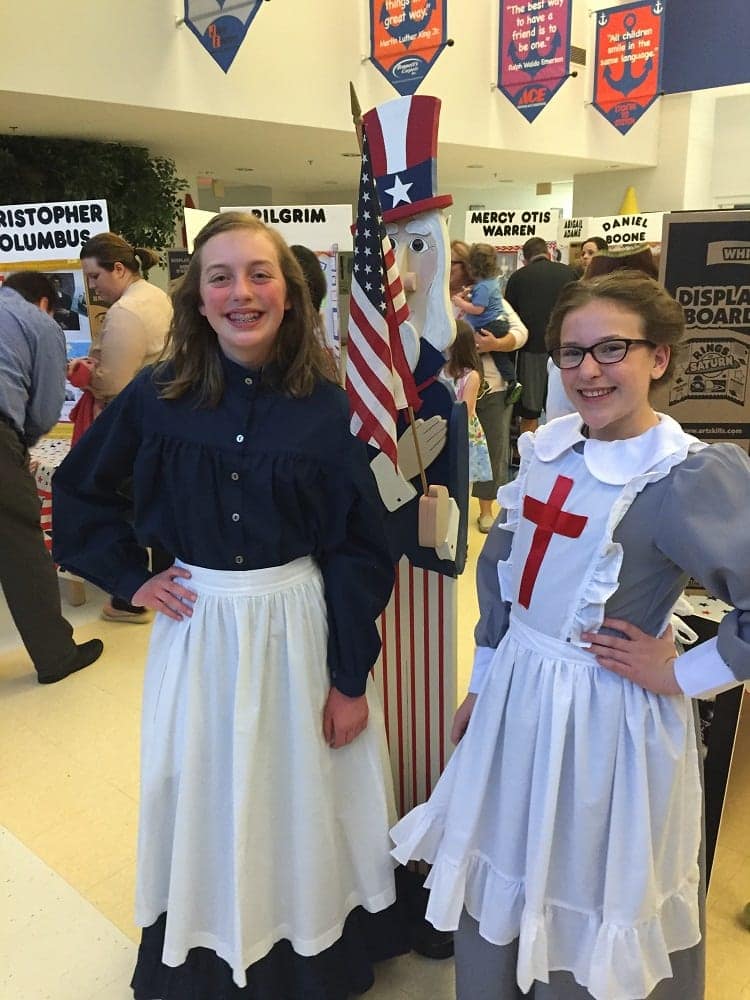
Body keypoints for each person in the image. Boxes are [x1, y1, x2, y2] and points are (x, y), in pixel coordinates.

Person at [52, 211, 405, 1000]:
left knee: (304, 790)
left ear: (290, 295)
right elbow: (82, 490)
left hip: (298, 626)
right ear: (198, 299)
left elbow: (359, 548)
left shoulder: (328, 406)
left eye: (259, 274)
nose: (241, 292)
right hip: (200, 626)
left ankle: (309, 942)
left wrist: (351, 678)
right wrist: (132, 578)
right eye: (221, 277)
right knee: (204, 782)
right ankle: (213, 936)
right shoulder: (157, 395)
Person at [391, 272, 750, 1000]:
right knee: (507, 860)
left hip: (604, 722)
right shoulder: (550, 450)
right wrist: (482, 687)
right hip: (518, 698)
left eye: (611, 348)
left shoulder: (684, 477)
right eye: (570, 353)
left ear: (659, 358)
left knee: (585, 878)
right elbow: (501, 579)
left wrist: (680, 674)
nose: (588, 370)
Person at [0, 271, 103, 684]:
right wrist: (17, 448)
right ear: (45, 302)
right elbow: (45, 408)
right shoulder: (37, 321)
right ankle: (56, 655)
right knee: (21, 548)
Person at [79, 232, 173, 622]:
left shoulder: (125, 312)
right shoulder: (158, 297)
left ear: (118, 268)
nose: (92, 286)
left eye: (95, 276)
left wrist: (87, 376)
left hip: (133, 426)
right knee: (163, 506)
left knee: (124, 506)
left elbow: (113, 383)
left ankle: (132, 596)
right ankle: (167, 584)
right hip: (165, 418)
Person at [504, 236, 578, 435]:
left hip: (531, 352)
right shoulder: (569, 273)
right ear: (549, 253)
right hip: (566, 351)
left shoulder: (518, 278)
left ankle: (527, 459)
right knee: (566, 412)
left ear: (525, 259)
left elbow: (509, 322)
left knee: (530, 411)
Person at [451, 242, 518, 390]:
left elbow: (521, 333)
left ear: (468, 266)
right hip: (454, 387)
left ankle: (480, 382)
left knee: (472, 353)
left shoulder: (483, 288)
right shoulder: (483, 287)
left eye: (452, 262)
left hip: (491, 390)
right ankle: (512, 380)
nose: (446, 267)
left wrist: (497, 344)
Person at [439, 319, 492, 485]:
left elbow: (466, 411)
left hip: (460, 433)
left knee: (461, 484)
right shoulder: (439, 369)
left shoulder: (471, 376)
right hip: (439, 428)